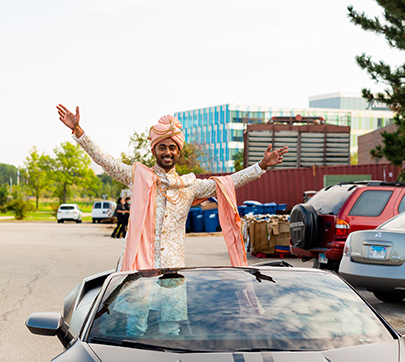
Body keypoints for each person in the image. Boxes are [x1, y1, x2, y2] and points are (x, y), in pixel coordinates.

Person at [56, 104, 287, 271]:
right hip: (137, 268)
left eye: (172, 148)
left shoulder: (189, 185)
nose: (167, 152)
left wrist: (261, 165)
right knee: (135, 328)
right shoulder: (139, 177)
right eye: (162, 147)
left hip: (173, 271)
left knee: (171, 329)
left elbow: (228, 182)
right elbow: (106, 161)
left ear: (179, 151)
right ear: (154, 150)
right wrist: (79, 132)